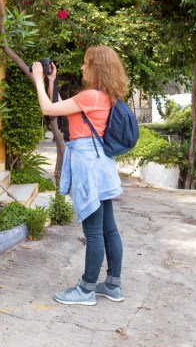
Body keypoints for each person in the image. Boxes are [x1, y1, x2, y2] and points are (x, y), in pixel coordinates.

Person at [31, 45, 128, 306]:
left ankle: (85, 290)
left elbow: (48, 109)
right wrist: (52, 81)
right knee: (109, 228)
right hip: (102, 163)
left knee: (94, 231)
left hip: (88, 163)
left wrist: (38, 81)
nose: (83, 67)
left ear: (96, 67)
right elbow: (62, 106)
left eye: (86, 63)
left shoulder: (90, 96)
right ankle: (112, 285)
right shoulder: (104, 96)